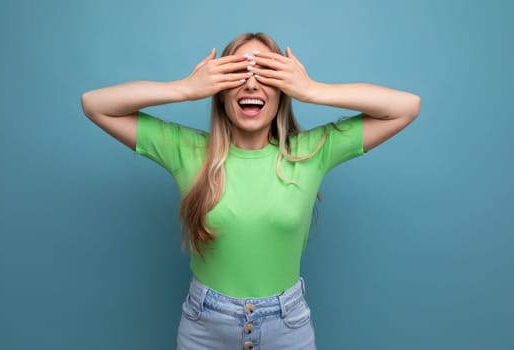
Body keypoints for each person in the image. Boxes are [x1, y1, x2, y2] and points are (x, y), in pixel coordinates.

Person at [81, 32, 421, 350]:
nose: (251, 84)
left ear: (282, 90)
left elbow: (406, 107)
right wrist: (185, 88)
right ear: (220, 90)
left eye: (267, 73)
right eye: (237, 73)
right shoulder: (185, 149)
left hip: (288, 327)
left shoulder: (311, 151)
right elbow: (95, 104)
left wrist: (313, 90)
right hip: (204, 328)